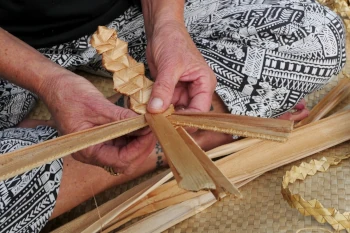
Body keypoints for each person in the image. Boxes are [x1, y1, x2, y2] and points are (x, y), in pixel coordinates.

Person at [0, 0, 346, 232]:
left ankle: (123, 135)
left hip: (127, 14)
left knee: (315, 35)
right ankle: (168, 141)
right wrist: (49, 81)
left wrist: (167, 24)